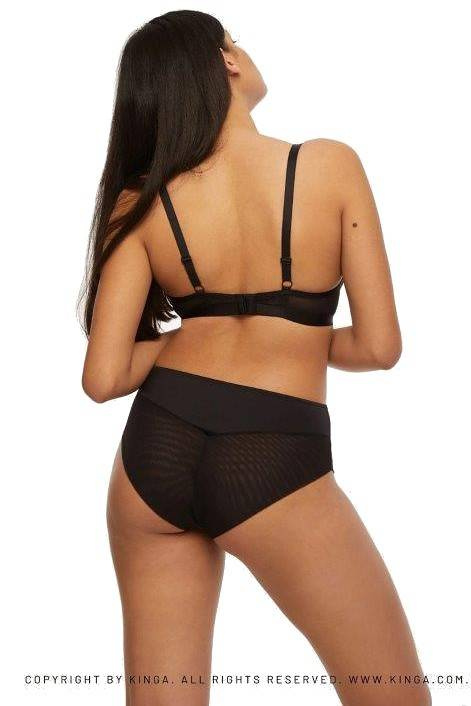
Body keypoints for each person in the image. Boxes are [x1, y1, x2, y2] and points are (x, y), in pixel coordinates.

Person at [80, 10, 430, 706]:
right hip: (271, 452)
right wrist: (290, 337)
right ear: (227, 62)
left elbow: (103, 378)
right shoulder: (328, 165)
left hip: (155, 453)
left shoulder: (140, 201)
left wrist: (190, 338)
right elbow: (378, 346)